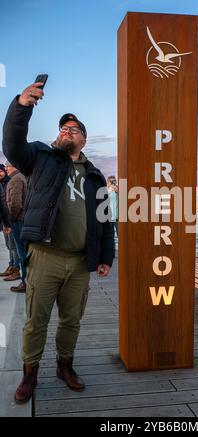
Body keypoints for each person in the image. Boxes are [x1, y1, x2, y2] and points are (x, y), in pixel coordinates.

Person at [2, 80, 115, 404]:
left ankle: (65, 366)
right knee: (36, 321)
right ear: (57, 135)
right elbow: (12, 144)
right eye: (63, 128)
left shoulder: (95, 176)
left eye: (74, 129)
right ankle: (29, 374)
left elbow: (106, 222)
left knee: (71, 320)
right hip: (46, 256)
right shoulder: (41, 157)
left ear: (84, 138)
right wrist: (21, 106)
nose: (68, 131)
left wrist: (106, 256)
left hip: (80, 262)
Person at [4, 161, 27, 292]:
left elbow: (15, 204)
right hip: (24, 220)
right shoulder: (23, 177)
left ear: (15, 166)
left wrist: (9, 221)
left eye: (8, 166)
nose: (6, 169)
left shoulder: (15, 180)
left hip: (17, 221)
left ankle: (25, 282)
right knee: (24, 251)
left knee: (21, 252)